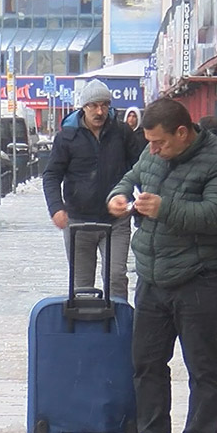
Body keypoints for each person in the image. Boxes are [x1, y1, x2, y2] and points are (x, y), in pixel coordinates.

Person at [106, 98, 217, 433]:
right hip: (152, 275)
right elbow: (130, 178)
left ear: (182, 133)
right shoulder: (152, 155)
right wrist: (117, 197)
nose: (152, 149)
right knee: (146, 363)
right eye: (149, 142)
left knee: (202, 366)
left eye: (159, 142)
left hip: (199, 276)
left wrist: (164, 208)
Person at [43, 79, 146, 301]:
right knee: (82, 286)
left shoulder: (122, 133)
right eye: (93, 106)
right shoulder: (67, 137)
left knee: (116, 276)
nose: (99, 111)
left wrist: (137, 201)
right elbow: (51, 175)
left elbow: (140, 168)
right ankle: (87, 330)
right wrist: (56, 208)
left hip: (116, 220)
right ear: (84, 107)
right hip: (78, 221)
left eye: (104, 105)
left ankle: (119, 326)